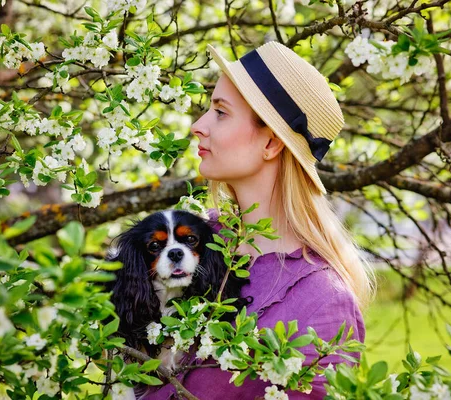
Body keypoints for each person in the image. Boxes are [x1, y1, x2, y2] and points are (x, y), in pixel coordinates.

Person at [142, 41, 375, 399]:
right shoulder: (193, 243)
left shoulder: (320, 303)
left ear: (271, 144)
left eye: (221, 112)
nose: (197, 126)